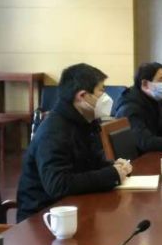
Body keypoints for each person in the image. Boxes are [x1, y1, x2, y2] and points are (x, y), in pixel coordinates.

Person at [16, 63, 133, 221]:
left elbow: (89, 164)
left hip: (73, 208)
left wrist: (114, 166)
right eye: (101, 91)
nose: (106, 97)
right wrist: (111, 175)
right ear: (82, 96)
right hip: (44, 218)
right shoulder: (53, 131)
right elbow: (58, 185)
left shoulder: (86, 122)